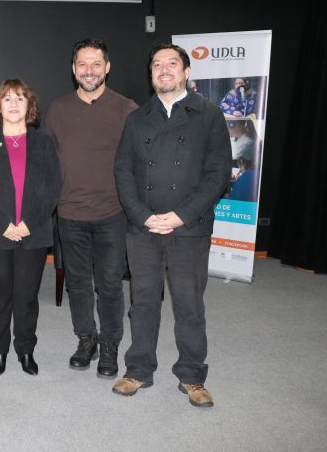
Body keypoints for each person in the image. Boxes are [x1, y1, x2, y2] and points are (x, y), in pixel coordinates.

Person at [113, 44, 231, 408]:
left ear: (186, 72)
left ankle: (193, 376)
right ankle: (139, 370)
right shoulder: (137, 117)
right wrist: (142, 215)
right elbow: (123, 171)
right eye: (157, 65)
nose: (163, 70)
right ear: (151, 73)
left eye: (171, 64)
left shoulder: (209, 114)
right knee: (143, 302)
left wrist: (180, 215)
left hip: (189, 227)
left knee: (189, 304)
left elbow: (218, 175)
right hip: (143, 227)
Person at [45, 39, 138, 378]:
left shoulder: (127, 108)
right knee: (79, 284)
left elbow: (139, 161)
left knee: (110, 284)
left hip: (113, 214)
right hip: (69, 214)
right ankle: (87, 339)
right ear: (74, 70)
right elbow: (48, 162)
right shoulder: (58, 109)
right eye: (82, 64)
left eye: (95, 64)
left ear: (107, 67)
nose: (89, 70)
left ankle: (111, 345)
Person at [0, 79, 61, 376]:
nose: (13, 104)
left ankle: (25, 349)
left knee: (27, 296)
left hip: (33, 234)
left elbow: (53, 187)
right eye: (7, 99)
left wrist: (27, 224)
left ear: (29, 106)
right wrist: (4, 225)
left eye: (20, 98)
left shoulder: (44, 142)